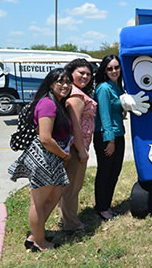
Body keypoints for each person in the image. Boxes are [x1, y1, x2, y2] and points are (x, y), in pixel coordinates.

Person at [8, 68, 72, 251]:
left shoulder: (56, 103)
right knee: (39, 201)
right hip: (45, 157)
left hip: (51, 157)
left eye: (68, 82)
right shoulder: (47, 104)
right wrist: (64, 154)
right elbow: (45, 138)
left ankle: (35, 234)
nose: (65, 85)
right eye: (60, 81)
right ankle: (40, 242)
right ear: (51, 84)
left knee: (54, 195)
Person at [58, 59, 97, 231]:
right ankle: (71, 224)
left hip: (75, 145)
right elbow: (75, 126)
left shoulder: (73, 92)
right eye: (81, 72)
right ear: (71, 72)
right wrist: (82, 151)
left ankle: (64, 219)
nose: (85, 76)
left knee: (68, 186)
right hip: (76, 147)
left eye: (88, 74)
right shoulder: (76, 95)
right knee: (73, 187)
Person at [93, 55, 125, 221]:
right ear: (104, 70)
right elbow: (104, 116)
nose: (114, 71)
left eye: (116, 67)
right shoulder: (104, 88)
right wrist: (110, 141)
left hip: (119, 134)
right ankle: (102, 208)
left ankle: (107, 204)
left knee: (115, 171)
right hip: (106, 136)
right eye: (110, 68)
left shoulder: (116, 86)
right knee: (105, 172)